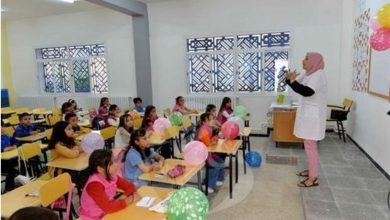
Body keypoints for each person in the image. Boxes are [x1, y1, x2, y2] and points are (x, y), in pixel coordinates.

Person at [286, 52, 327, 188]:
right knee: (308, 145)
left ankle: (313, 177)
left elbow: (307, 91)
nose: (303, 60)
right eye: (304, 57)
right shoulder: (309, 74)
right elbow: (297, 85)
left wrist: (292, 81)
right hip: (308, 116)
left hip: (313, 119)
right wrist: (289, 79)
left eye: (307, 58)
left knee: (310, 147)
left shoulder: (319, 75)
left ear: (315, 61)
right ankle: (311, 171)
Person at [79, 149, 137, 220]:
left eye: (114, 161)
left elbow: (131, 186)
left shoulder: (111, 176)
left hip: (106, 213)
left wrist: (123, 196)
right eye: (111, 163)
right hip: (93, 217)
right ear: (100, 169)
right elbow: (109, 208)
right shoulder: (94, 185)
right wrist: (129, 200)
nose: (116, 165)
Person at [196, 113, 224, 193]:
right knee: (214, 166)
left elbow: (211, 141)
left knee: (220, 161)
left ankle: (218, 179)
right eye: (211, 120)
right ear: (205, 122)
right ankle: (208, 186)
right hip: (202, 153)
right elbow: (208, 144)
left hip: (208, 152)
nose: (213, 121)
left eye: (213, 119)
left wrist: (215, 137)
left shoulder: (209, 128)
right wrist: (216, 138)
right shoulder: (204, 130)